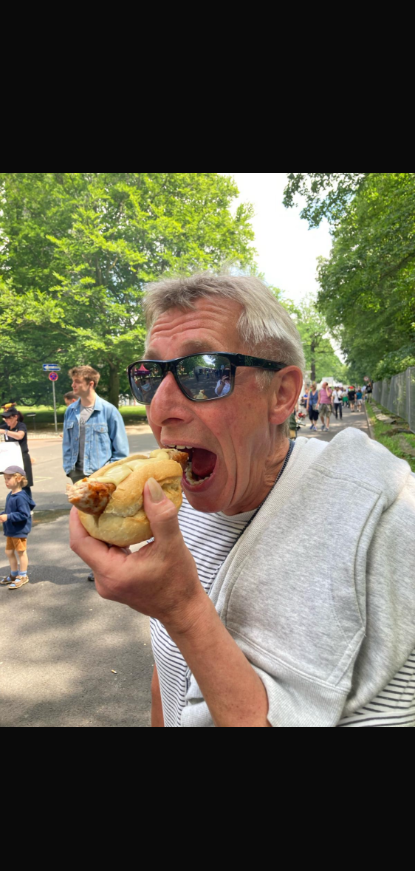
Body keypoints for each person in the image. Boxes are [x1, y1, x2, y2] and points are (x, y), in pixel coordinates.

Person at [69, 273, 415, 727]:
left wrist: (182, 608)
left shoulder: (387, 529)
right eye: (150, 377)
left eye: (203, 372)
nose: (160, 408)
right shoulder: (174, 510)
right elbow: (169, 676)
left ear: (282, 394)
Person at [63, 365, 129, 581]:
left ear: (90, 384)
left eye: (77, 382)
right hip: (78, 474)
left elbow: (121, 450)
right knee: (85, 523)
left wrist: (108, 476)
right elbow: (67, 442)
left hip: (100, 476)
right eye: (73, 381)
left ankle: (112, 564)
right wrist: (68, 468)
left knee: (104, 521)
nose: (73, 385)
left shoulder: (109, 411)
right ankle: (98, 564)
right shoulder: (71, 411)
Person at [0, 465, 35, 589]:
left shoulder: (21, 497)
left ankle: (23, 575)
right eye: (5, 478)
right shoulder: (10, 495)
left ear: (19, 479)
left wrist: (8, 517)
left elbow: (24, 514)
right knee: (9, 552)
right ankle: (14, 574)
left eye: (9, 478)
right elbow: (9, 511)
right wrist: (3, 515)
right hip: (11, 529)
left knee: (21, 552)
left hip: (19, 530)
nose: (6, 481)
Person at [0, 408, 34, 499]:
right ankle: (17, 503)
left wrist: (5, 432)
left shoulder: (21, 426)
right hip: (11, 458)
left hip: (22, 458)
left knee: (24, 484)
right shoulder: (5, 426)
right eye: (5, 418)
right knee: (13, 483)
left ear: (15, 417)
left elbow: (20, 436)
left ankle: (27, 504)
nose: (7, 420)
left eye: (9, 418)